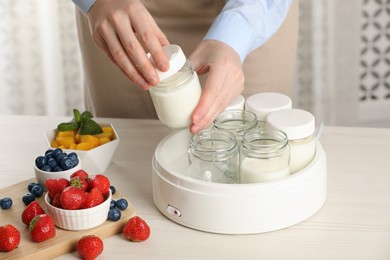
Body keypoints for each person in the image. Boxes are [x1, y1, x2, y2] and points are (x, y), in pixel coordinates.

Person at [72, 0, 298, 134]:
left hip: (255, 9)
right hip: (118, 11)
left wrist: (237, 33)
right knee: (126, 164)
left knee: (252, 141)